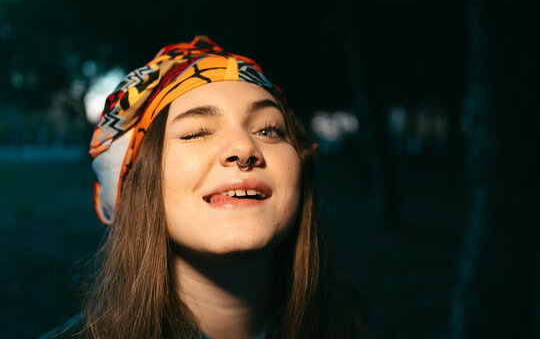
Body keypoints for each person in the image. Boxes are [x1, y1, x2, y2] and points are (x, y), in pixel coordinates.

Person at [41, 36, 366, 339]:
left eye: (268, 130)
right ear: (136, 182)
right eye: (196, 132)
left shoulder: (350, 327)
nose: (243, 147)